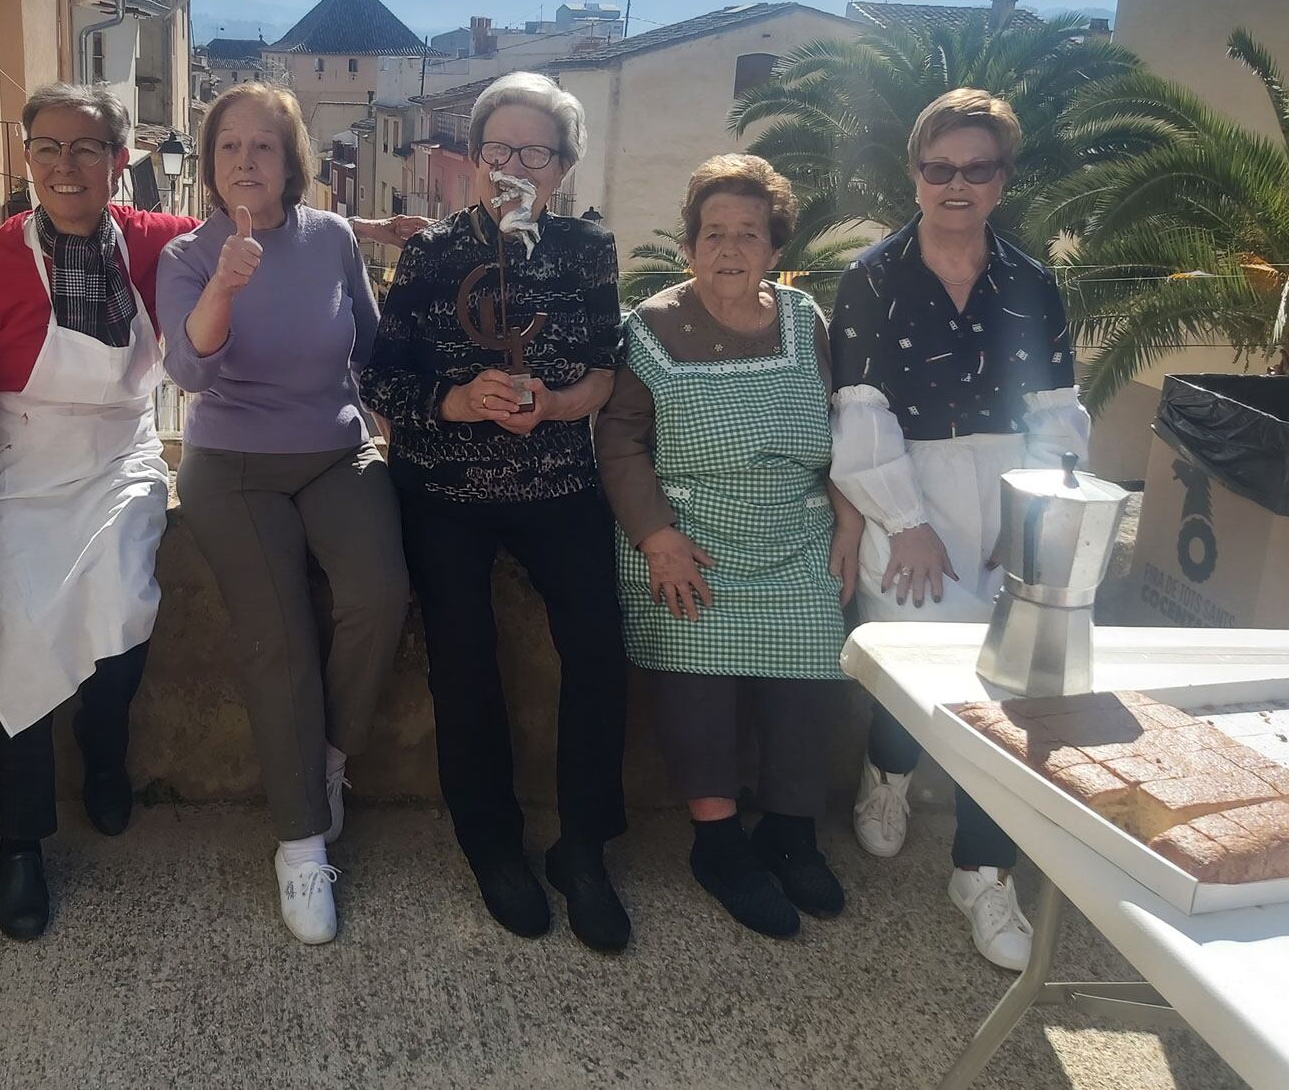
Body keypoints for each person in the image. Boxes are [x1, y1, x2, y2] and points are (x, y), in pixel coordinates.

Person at [358, 71, 630, 954]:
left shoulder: (588, 251)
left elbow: (604, 370)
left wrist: (552, 406)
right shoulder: (433, 254)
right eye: (500, 149)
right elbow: (382, 379)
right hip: (445, 492)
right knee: (463, 657)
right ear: (476, 159)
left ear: (564, 168)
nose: (516, 167)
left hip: (558, 485)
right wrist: (457, 400)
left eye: (536, 153)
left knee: (599, 646)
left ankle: (583, 847)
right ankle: (492, 843)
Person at [831, 88, 1090, 972]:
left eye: (977, 169)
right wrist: (905, 523)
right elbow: (860, 410)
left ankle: (982, 872)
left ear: (1002, 180)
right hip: (906, 487)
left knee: (1009, 696)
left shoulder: (1034, 283)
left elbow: (1056, 410)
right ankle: (888, 773)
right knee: (919, 673)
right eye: (939, 167)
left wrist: (1030, 516)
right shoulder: (872, 277)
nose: (956, 185)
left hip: (1012, 494)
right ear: (914, 174)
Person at [157, 83, 410, 946]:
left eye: (263, 145)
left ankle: (326, 760)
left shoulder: (332, 237)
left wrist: (401, 421)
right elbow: (188, 373)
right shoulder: (189, 255)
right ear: (209, 162)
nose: (245, 161)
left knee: (378, 595)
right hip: (232, 465)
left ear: (291, 160)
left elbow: (369, 346)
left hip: (336, 451)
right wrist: (225, 286)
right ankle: (300, 847)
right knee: (280, 638)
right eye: (229, 146)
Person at [0, 83, 197, 941]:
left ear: (119, 160)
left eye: (87, 147)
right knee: (17, 624)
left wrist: (370, 229)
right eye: (47, 148)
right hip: (16, 464)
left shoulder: (157, 241)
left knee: (126, 593)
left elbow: (262, 230)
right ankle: (20, 841)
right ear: (27, 160)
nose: (66, 165)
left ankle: (104, 746)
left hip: (119, 453)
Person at [597, 155, 861, 940]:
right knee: (697, 676)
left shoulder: (804, 319)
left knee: (811, 663)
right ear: (689, 247)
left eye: (749, 233)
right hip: (691, 535)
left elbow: (849, 423)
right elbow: (620, 441)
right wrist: (656, 537)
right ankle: (717, 845)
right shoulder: (649, 329)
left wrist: (850, 520)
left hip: (796, 530)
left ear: (775, 249)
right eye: (713, 233)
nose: (730, 248)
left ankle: (790, 831)